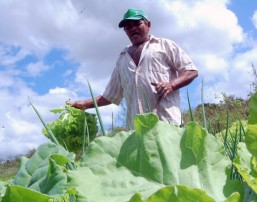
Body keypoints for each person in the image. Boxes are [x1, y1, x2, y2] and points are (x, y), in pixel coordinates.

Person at [70, 8, 198, 129]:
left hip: (166, 123)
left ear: (148, 25)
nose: (132, 29)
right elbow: (110, 96)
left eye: (137, 24)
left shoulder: (165, 45)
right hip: (136, 130)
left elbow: (191, 71)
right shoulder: (122, 58)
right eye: (128, 27)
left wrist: (171, 85)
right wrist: (84, 104)